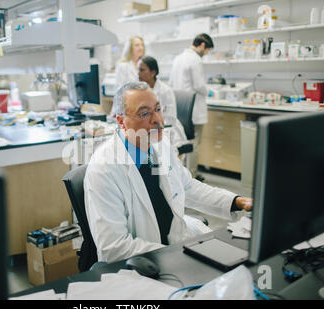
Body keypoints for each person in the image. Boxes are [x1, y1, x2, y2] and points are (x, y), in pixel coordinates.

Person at [84, 82, 253, 263]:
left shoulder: (159, 146)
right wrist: (174, 256)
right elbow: (115, 247)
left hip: (176, 245)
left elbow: (188, 188)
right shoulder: (104, 169)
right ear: (121, 122)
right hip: (142, 264)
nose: (157, 119)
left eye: (158, 109)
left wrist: (237, 202)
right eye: (144, 113)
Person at [169, 33, 214, 182]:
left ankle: (182, 176)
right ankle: (192, 177)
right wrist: (210, 91)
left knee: (182, 142)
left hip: (180, 108)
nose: (206, 54)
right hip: (194, 109)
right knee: (193, 143)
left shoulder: (178, 58)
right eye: (207, 50)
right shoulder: (195, 60)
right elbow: (200, 86)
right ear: (202, 45)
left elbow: (171, 82)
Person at [137, 55, 188, 156]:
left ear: (153, 72)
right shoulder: (140, 90)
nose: (138, 73)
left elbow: (170, 119)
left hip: (167, 130)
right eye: (138, 70)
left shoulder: (165, 91)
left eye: (142, 70)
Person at [108, 36, 145, 119]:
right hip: (126, 107)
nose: (141, 48)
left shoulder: (144, 64)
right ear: (130, 48)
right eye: (137, 45)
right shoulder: (123, 66)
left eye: (142, 45)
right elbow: (119, 89)